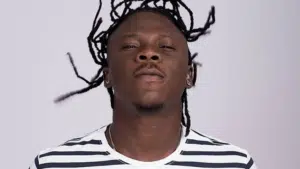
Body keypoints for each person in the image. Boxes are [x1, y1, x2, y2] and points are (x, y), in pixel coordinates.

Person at [29, 0, 257, 168]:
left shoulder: (234, 164)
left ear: (190, 75)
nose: (148, 53)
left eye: (165, 47)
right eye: (130, 46)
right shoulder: (53, 165)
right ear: (107, 75)